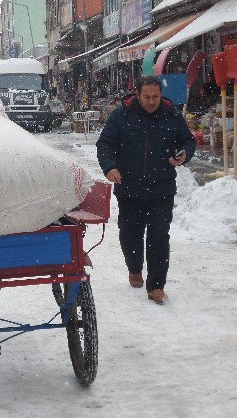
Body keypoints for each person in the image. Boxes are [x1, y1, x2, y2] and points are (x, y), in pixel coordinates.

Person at [96, 76, 196, 305]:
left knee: (159, 236)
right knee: (130, 234)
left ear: (161, 95)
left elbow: (188, 141)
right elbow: (105, 144)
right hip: (129, 188)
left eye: (156, 97)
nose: (151, 102)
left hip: (162, 187)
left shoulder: (172, 116)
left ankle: (156, 286)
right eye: (147, 97)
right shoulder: (121, 116)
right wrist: (110, 167)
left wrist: (184, 154)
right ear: (137, 95)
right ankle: (134, 267)